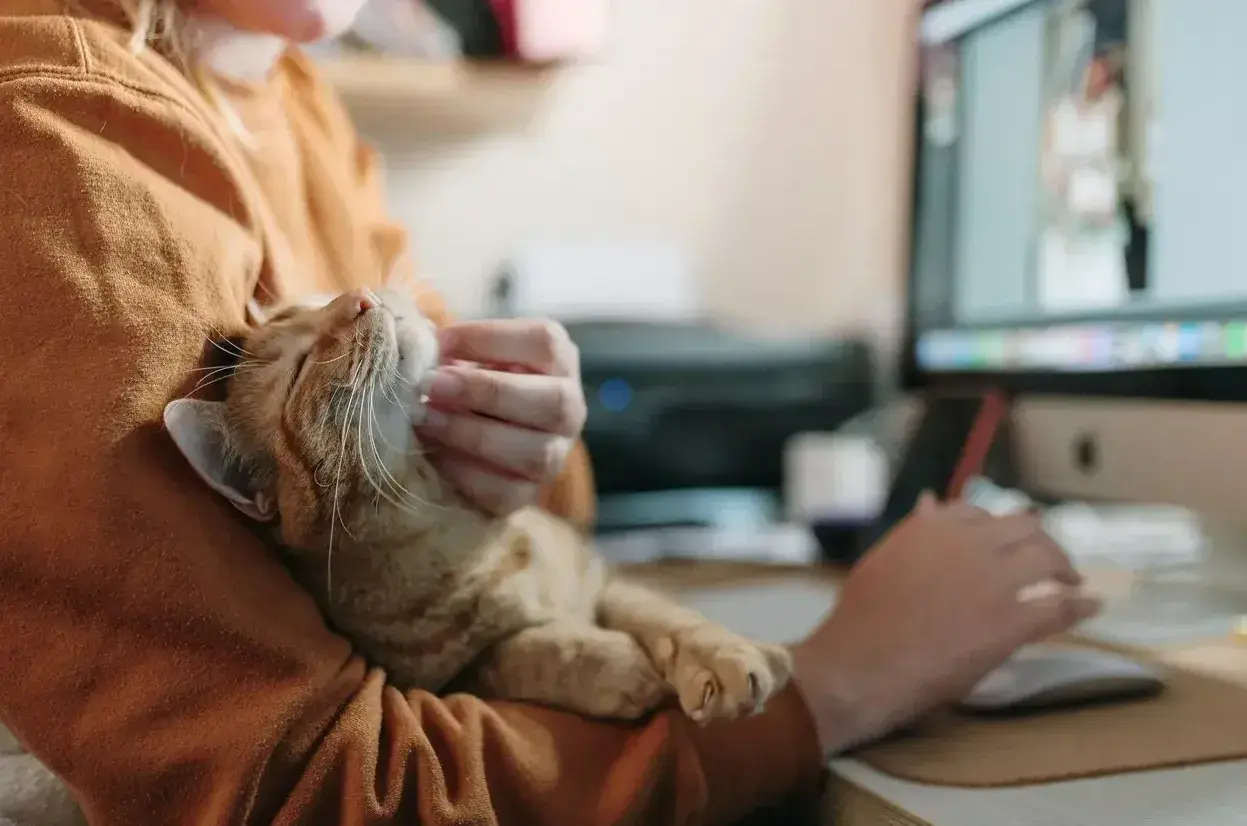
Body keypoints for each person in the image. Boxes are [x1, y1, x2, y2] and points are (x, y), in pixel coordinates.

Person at [0, 0, 1100, 823]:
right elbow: (313, 790)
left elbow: (511, 532)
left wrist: (515, 451)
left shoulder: (291, 96)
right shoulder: (54, 140)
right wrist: (835, 685)